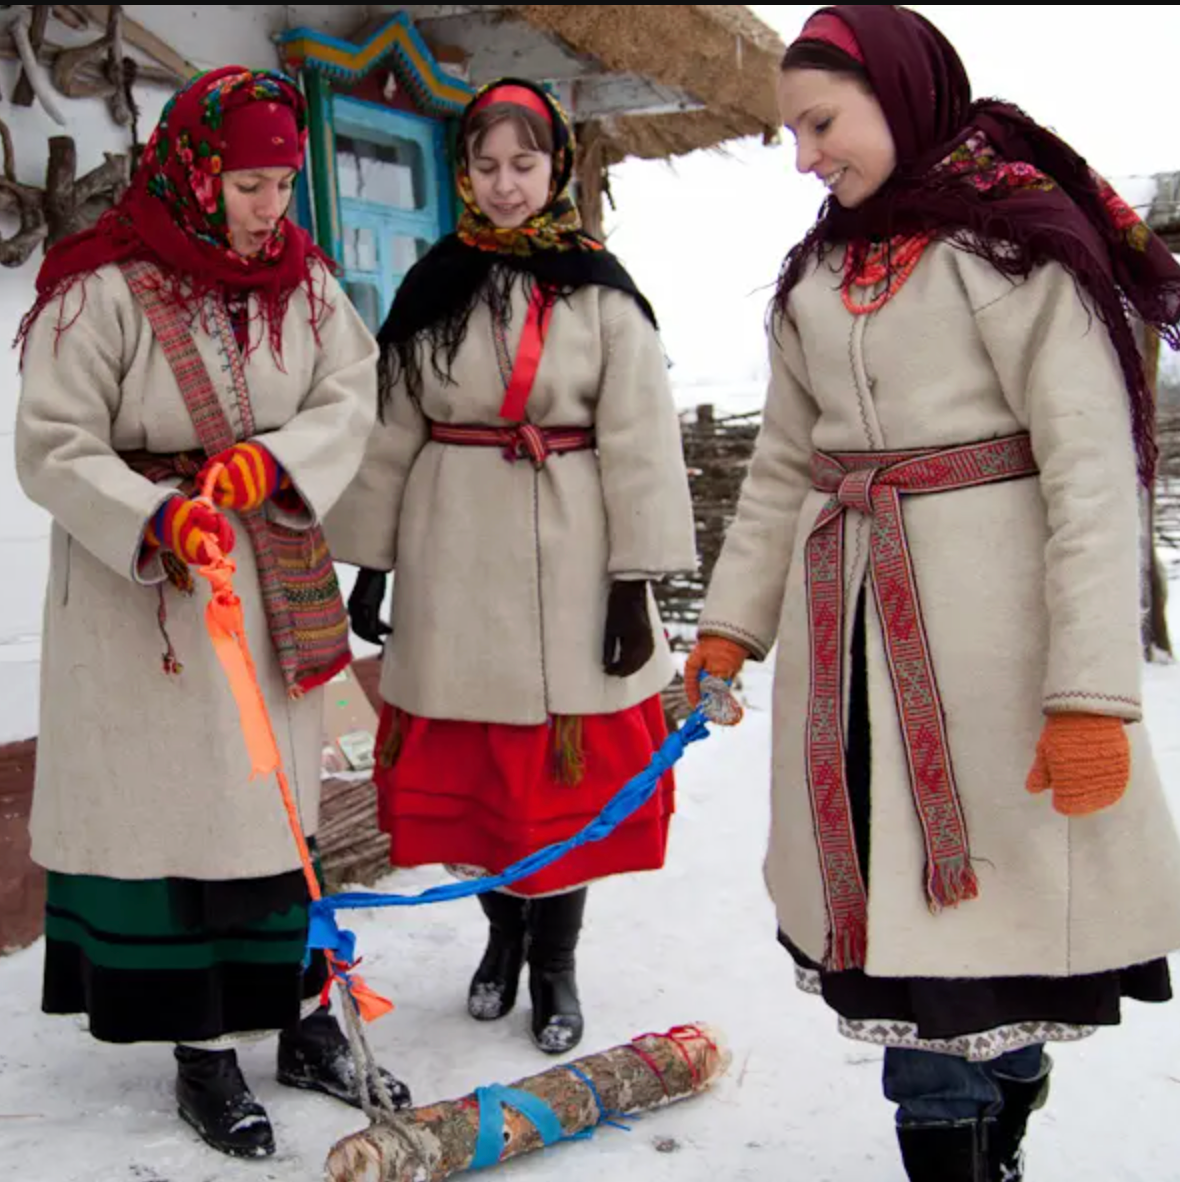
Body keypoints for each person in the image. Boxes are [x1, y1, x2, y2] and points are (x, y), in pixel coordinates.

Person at [684, 7, 1180, 1179]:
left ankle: (996, 1115)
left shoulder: (1016, 250)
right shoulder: (817, 272)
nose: (804, 157)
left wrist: (1091, 695)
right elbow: (777, 474)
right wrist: (724, 630)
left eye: (819, 123)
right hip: (847, 649)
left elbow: (1092, 475)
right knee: (918, 971)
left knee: (990, 954)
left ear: (901, 95)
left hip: (994, 657)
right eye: (790, 135)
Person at [14, 65, 409, 1161]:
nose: (269, 206)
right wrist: (153, 514)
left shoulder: (305, 282)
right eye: (246, 183)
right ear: (192, 170)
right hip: (145, 598)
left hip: (267, 570)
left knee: (278, 810)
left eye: (282, 182)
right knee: (182, 819)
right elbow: (51, 444)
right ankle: (203, 1051)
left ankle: (302, 1020)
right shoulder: (96, 289)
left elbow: (350, 391)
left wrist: (274, 464)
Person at [326, 77, 695, 1056]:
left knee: (557, 784)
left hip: (573, 550)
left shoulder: (603, 292)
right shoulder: (432, 286)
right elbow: (393, 424)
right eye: (485, 166)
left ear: (556, 167)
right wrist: (372, 561)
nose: (504, 184)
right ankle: (500, 941)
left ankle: (555, 959)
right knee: (490, 787)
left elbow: (643, 440)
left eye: (522, 164)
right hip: (454, 553)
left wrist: (633, 583)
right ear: (463, 174)